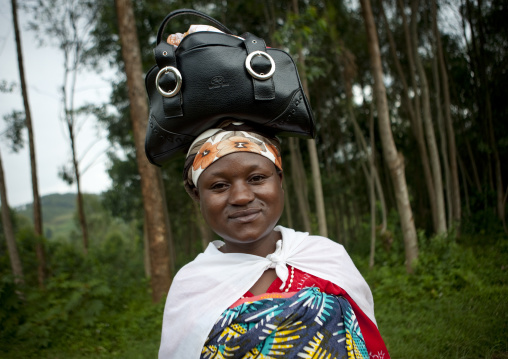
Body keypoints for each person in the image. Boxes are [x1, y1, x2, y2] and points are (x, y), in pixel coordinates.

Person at [157, 122, 390, 358]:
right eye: (219, 186)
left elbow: (368, 345)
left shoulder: (327, 257)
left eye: (257, 178)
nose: (241, 196)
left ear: (279, 180)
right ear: (198, 195)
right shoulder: (192, 286)